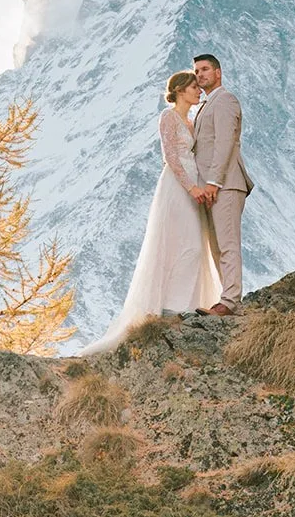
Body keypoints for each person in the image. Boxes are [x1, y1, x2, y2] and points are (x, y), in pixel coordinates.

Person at [78, 70, 222, 354]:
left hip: (193, 187)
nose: (198, 91)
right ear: (180, 90)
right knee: (181, 244)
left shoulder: (190, 121)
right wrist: (191, 188)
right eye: (194, 87)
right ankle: (171, 308)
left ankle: (184, 305)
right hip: (177, 188)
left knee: (194, 246)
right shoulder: (168, 118)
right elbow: (171, 157)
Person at [191, 52, 254, 316]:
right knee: (216, 246)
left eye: (205, 69)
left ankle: (230, 301)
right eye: (196, 71)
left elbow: (225, 143)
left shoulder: (225, 100)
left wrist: (214, 182)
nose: (200, 75)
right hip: (210, 186)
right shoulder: (205, 105)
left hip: (226, 184)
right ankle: (227, 299)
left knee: (227, 243)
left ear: (218, 72)